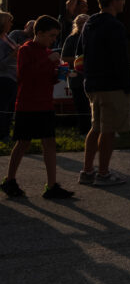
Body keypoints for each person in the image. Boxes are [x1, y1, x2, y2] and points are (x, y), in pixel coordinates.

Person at [1, 15, 74, 200]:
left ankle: (51, 185)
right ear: (39, 33)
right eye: (50, 35)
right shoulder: (26, 49)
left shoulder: (46, 51)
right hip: (28, 105)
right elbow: (25, 75)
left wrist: (57, 73)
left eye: (55, 36)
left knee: (49, 142)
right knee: (22, 143)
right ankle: (10, 179)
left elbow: (46, 77)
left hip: (45, 103)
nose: (53, 40)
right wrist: (48, 61)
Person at [79, 0, 130, 187]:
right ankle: (103, 173)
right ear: (113, 1)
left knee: (96, 127)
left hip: (92, 82)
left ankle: (87, 170)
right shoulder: (115, 26)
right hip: (112, 85)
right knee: (108, 130)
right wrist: (127, 84)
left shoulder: (90, 22)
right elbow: (119, 59)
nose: (124, 2)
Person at [60, 12, 91, 136]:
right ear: (76, 25)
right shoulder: (71, 39)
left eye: (86, 22)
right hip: (77, 79)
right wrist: (81, 60)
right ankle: (84, 131)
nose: (83, 25)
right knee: (82, 107)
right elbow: (64, 58)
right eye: (80, 23)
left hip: (92, 79)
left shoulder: (93, 37)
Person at [0, 11, 20, 141]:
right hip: (3, 78)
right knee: (3, 108)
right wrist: (14, 53)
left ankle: (6, 133)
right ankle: (2, 135)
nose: (11, 24)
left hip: (12, 78)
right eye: (9, 21)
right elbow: (1, 64)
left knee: (10, 107)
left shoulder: (7, 37)